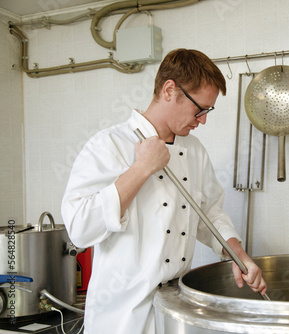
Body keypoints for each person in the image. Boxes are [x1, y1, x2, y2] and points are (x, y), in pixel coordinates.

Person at [61, 48, 267, 334]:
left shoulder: (194, 150)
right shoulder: (109, 144)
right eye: (200, 109)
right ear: (170, 90)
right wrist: (141, 168)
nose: (203, 120)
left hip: (175, 310)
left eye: (208, 110)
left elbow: (209, 213)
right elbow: (80, 229)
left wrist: (238, 255)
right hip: (121, 317)